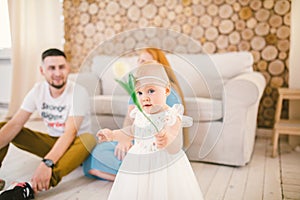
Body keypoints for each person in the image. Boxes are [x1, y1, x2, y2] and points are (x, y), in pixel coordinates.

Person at [0, 48, 96, 200]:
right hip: (54, 143)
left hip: (76, 147)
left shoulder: (79, 92)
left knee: (88, 139)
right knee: (4, 126)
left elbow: (69, 133)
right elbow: (15, 123)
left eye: (61, 67)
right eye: (51, 68)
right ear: (42, 70)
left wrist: (47, 163)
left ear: (68, 68)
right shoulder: (38, 90)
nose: (57, 73)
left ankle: (31, 187)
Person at [98, 63, 203, 199]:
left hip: (164, 165)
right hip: (139, 161)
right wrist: (112, 135)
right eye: (139, 93)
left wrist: (167, 139)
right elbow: (132, 131)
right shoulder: (140, 114)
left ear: (166, 90)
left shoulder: (171, 116)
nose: (144, 97)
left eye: (151, 91)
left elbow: (176, 147)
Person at [83, 48, 188, 181]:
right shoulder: (140, 98)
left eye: (145, 61)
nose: (140, 64)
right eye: (139, 60)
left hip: (159, 154)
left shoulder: (168, 99)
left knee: (101, 155)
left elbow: (174, 137)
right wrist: (114, 135)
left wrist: (167, 139)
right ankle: (130, 176)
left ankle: (129, 176)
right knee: (97, 151)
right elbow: (133, 127)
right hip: (141, 144)